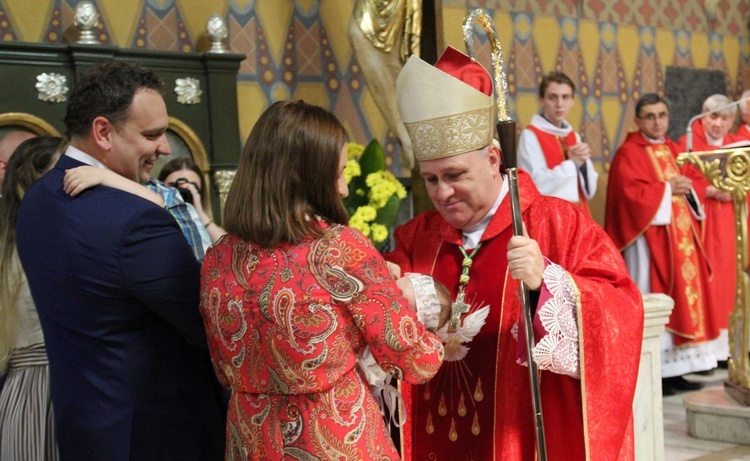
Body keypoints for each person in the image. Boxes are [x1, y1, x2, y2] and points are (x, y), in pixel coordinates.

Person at [388, 46, 643, 461]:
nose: (442, 193)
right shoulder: (416, 237)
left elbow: (621, 310)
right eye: (431, 179)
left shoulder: (557, 224)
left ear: (492, 159)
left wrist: (549, 284)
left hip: (518, 437)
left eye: (454, 175)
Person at [199, 100, 444, 460]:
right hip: (332, 433)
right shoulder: (338, 250)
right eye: (338, 173)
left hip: (250, 437)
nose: (344, 189)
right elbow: (414, 359)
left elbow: (223, 363)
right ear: (307, 175)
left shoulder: (218, 257)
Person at [15, 61, 225, 461]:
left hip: (85, 429)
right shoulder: (136, 219)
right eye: (152, 134)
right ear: (103, 132)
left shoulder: (37, 202)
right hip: (156, 436)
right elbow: (209, 324)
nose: (164, 148)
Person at [605, 93, 715, 396]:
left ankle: (677, 370)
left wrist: (686, 188)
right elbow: (628, 196)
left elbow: (693, 182)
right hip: (647, 243)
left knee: (680, 299)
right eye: (650, 116)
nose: (657, 122)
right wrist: (667, 188)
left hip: (679, 242)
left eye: (662, 115)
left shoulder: (672, 147)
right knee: (653, 297)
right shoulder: (629, 152)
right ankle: (657, 371)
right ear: (638, 120)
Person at [0, 136, 64, 461]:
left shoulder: (9, 241)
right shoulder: (45, 238)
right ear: (37, 178)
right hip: (46, 384)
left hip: (22, 386)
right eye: (63, 168)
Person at [678, 94, 740, 366]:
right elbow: (682, 182)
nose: (718, 124)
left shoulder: (737, 145)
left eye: (724, 118)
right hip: (700, 221)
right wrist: (710, 190)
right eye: (713, 117)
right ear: (702, 118)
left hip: (731, 220)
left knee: (731, 282)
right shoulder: (688, 143)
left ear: (732, 121)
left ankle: (733, 349)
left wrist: (737, 191)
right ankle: (709, 352)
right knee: (709, 281)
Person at [517, 71, 598, 215]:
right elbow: (534, 185)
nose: (559, 104)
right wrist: (572, 164)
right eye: (552, 97)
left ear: (573, 101)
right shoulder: (530, 135)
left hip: (580, 213)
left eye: (565, 97)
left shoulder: (574, 137)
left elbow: (589, 190)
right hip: (550, 214)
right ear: (541, 100)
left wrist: (583, 166)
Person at [159, 157, 225, 242]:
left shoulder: (205, 222)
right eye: (173, 186)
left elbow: (228, 248)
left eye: (192, 185)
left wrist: (200, 213)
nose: (182, 191)